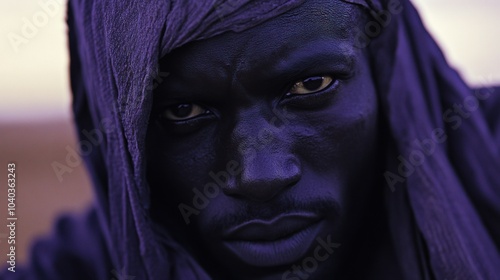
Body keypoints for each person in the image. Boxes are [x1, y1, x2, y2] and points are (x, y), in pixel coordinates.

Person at [2, 0, 499, 279]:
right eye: (184, 111)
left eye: (310, 86)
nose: (259, 176)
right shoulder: (85, 267)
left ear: (388, 63)